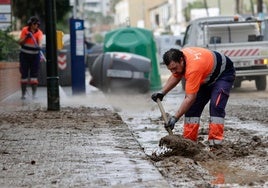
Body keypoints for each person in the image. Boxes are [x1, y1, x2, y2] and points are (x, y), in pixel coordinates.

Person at [151, 47, 235, 149]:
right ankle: (189, 143)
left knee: (215, 106)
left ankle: (215, 144)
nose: (173, 71)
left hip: (223, 74)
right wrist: (162, 92)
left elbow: (190, 98)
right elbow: (176, 75)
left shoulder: (193, 68)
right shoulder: (180, 61)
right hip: (206, 75)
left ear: (181, 60)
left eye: (175, 68)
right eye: (170, 69)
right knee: (192, 108)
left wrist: (175, 118)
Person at [18, 16, 43, 99]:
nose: (36, 25)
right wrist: (26, 37)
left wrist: (39, 46)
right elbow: (20, 42)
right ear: (30, 24)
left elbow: (40, 43)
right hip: (24, 56)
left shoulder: (39, 32)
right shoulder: (25, 30)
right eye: (34, 24)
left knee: (34, 76)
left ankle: (34, 95)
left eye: (37, 24)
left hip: (34, 56)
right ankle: (23, 94)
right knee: (24, 75)